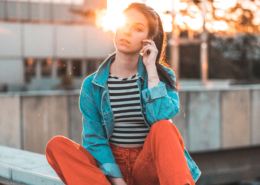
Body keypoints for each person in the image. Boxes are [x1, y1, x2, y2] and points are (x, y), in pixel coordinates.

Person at [45, 2, 201, 185]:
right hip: (109, 169)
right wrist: (118, 181)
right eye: (124, 24)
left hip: (146, 166)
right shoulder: (92, 85)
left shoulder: (161, 77)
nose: (127, 31)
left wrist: (151, 70)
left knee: (164, 127)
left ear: (148, 39)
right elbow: (94, 140)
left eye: (137, 28)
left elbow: (161, 119)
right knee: (56, 146)